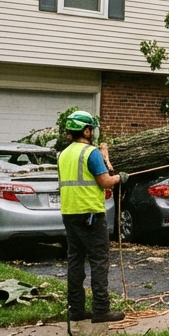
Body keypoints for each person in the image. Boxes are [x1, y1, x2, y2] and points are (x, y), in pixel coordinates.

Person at [57, 110, 127, 323]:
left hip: (69, 213)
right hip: (90, 215)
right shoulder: (91, 153)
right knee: (99, 260)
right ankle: (101, 310)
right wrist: (120, 177)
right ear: (85, 131)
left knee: (75, 260)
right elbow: (105, 182)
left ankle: (76, 310)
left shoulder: (63, 154)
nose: (93, 133)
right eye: (91, 129)